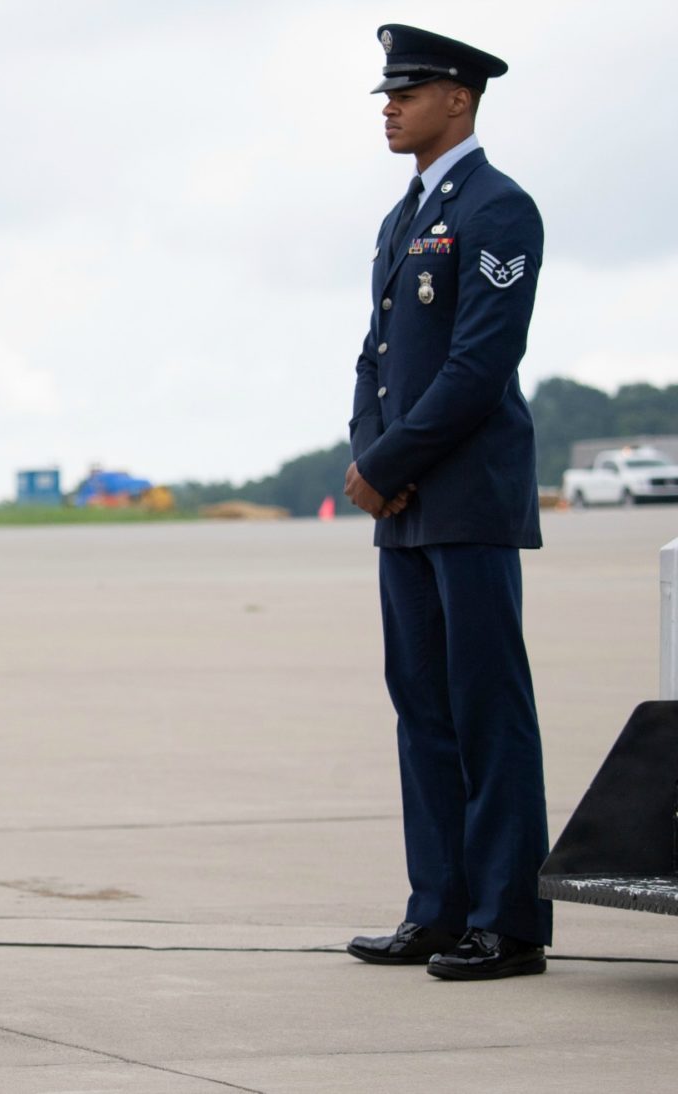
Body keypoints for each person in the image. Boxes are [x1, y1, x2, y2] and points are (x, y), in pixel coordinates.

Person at [342, 25, 552, 980]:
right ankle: (439, 907)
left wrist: (393, 462)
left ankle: (506, 921)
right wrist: (371, 458)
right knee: (421, 706)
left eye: (406, 92)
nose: (388, 106)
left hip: (466, 500)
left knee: (486, 708)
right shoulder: (403, 216)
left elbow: (479, 365)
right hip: (407, 508)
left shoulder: (499, 209)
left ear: (457, 100)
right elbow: (375, 360)